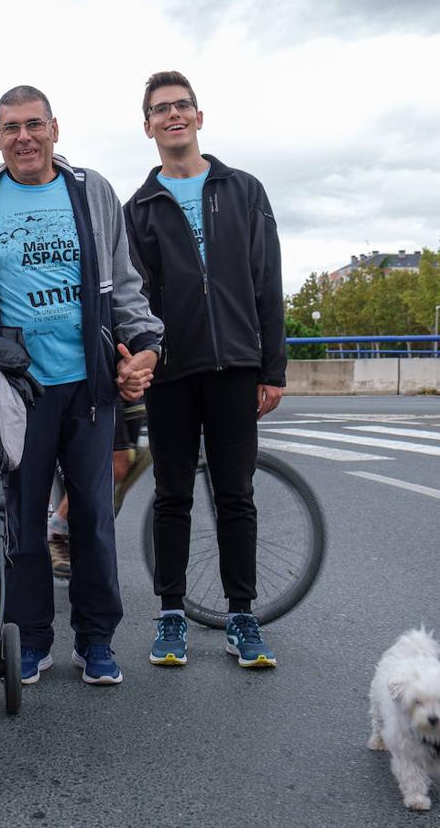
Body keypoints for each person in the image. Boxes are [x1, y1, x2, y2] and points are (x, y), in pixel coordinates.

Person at [0, 85, 163, 686]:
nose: (23, 137)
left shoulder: (91, 190)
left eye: (33, 125)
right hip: (16, 388)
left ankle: (96, 641)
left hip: (90, 384)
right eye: (9, 128)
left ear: (54, 128)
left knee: (93, 518)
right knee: (20, 520)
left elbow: (123, 281)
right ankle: (31, 638)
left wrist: (146, 345)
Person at [124, 71, 287, 669]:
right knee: (172, 496)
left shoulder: (244, 191)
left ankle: (243, 617)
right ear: (147, 126)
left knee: (236, 494)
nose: (172, 116)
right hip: (169, 372)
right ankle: (171, 615)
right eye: (160, 109)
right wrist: (139, 357)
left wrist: (274, 368)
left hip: (237, 367)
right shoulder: (136, 208)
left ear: (198, 116)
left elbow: (266, 281)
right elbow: (133, 299)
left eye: (181, 106)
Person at [47, 400, 151, 579]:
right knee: (118, 462)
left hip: (134, 382)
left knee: (144, 452)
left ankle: (97, 508)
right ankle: (57, 528)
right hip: (105, 382)